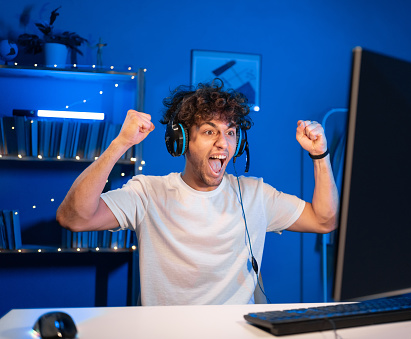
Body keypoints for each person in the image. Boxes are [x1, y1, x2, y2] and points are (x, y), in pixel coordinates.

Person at [56, 79, 339, 305]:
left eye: (230, 133)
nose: (223, 144)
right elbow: (75, 218)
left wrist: (320, 155)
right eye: (209, 132)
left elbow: (324, 221)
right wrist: (120, 144)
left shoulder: (255, 195)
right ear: (181, 140)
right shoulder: (147, 193)